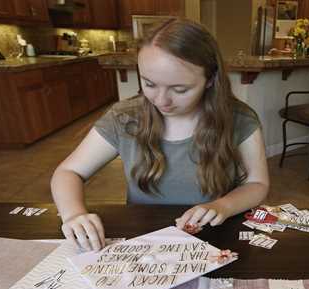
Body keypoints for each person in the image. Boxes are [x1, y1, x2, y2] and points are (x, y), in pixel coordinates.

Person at [51, 18, 269, 251]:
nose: (162, 101)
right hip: (143, 239)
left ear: (210, 80)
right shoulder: (124, 118)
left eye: (180, 89)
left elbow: (257, 183)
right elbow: (68, 172)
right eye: (149, 84)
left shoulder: (240, 119)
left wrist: (222, 206)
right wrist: (73, 214)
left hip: (217, 239)